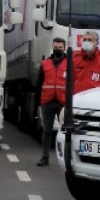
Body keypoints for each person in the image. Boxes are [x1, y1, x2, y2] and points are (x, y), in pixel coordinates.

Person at [36, 38, 68, 166]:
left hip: (63, 102)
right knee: (47, 130)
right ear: (52, 47)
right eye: (55, 47)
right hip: (47, 102)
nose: (57, 49)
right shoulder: (45, 64)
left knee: (65, 130)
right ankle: (45, 157)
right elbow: (39, 84)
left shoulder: (70, 63)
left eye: (60, 47)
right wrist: (39, 103)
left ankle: (66, 157)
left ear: (64, 48)